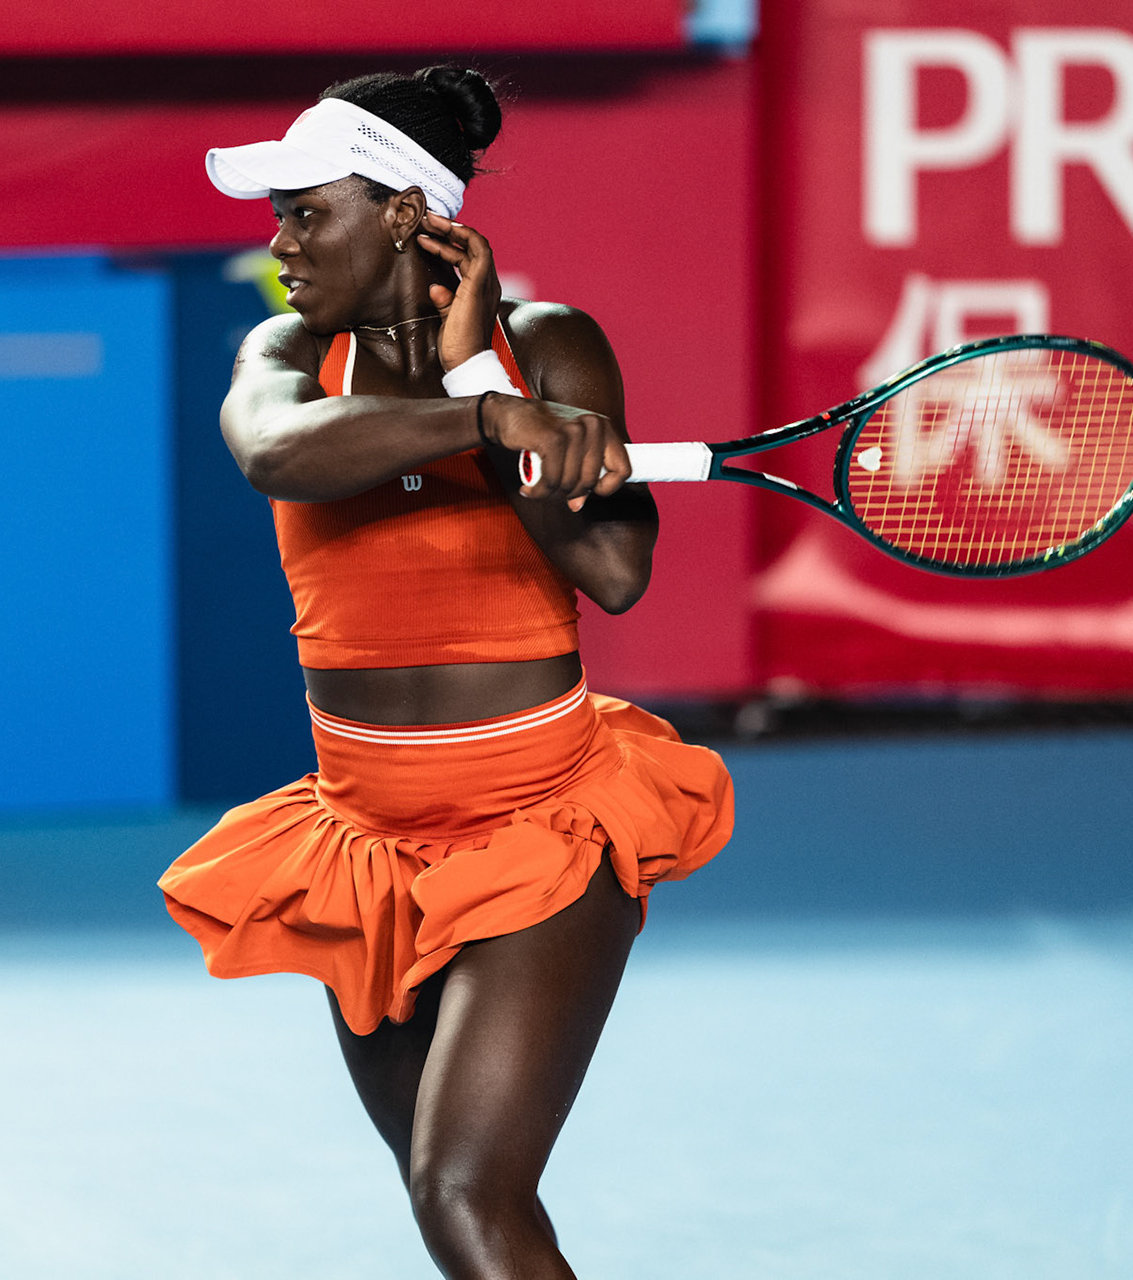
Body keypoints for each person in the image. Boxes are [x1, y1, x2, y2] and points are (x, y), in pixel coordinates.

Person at [158, 65, 734, 1280]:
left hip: (544, 826)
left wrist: (490, 384)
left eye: (307, 212)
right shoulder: (286, 351)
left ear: (409, 216)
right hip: (368, 844)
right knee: (452, 1210)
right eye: (280, 217)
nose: (280, 243)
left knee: (466, 1193)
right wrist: (486, 426)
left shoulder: (548, 343)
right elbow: (276, 453)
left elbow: (614, 569)